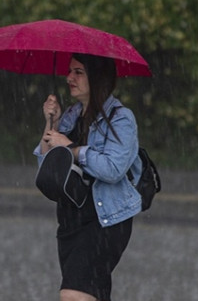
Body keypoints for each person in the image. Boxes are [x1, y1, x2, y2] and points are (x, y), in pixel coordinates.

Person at [34, 53, 143, 301]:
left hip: (105, 220)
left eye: (78, 72)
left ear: (98, 77)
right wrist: (52, 123)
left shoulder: (121, 118)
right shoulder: (71, 115)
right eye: (70, 71)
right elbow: (46, 165)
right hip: (71, 219)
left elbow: (113, 169)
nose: (69, 77)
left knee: (73, 294)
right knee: (91, 294)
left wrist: (72, 149)